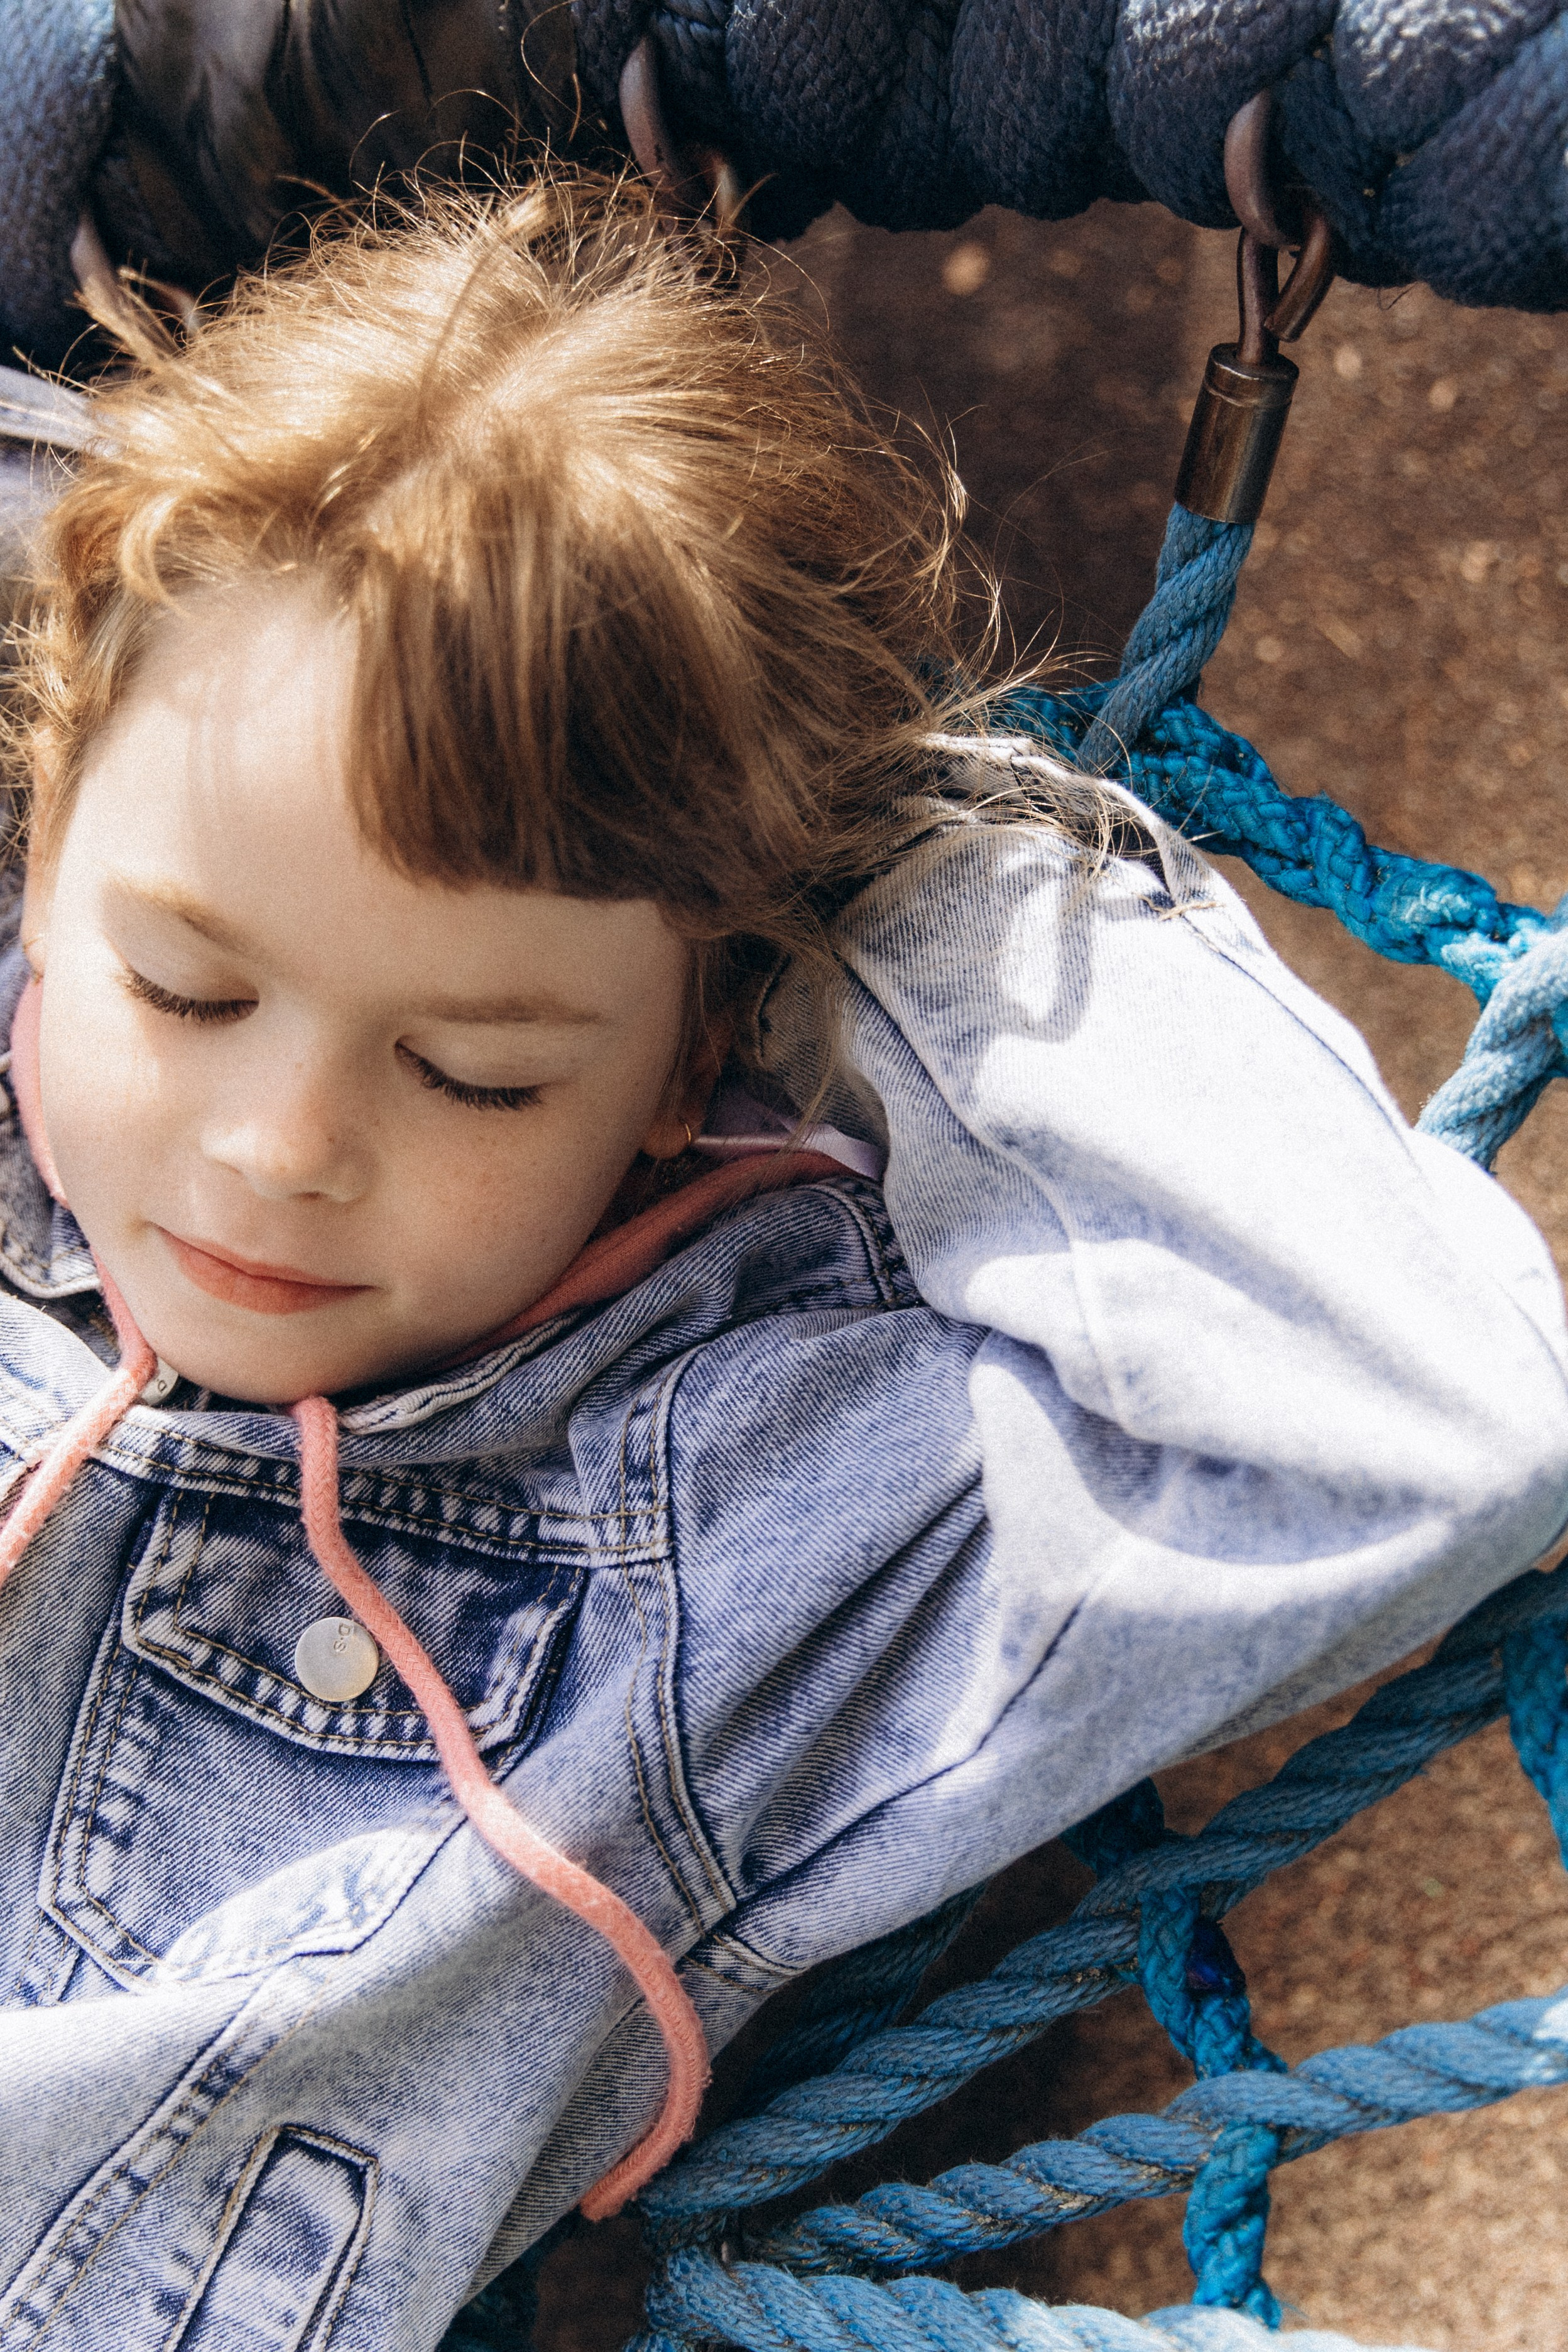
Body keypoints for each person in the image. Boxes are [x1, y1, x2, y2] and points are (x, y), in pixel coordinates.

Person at [0, 170, 1564, 2352]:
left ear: (695, 1044)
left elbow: (1423, 1423)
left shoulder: (718, 1523)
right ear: (51, 820)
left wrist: (860, 850)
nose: (276, 1152)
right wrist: (296, 544)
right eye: (179, 989)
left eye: (473, 1073)